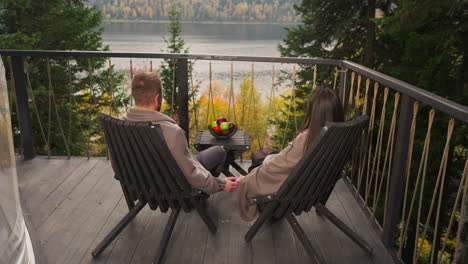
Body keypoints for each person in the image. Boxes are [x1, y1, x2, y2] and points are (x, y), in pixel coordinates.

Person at [236, 85, 345, 221]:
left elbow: (271, 168)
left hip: (292, 190)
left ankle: (268, 208)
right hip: (309, 181)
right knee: (264, 152)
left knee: (257, 158)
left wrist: (246, 180)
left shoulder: (308, 138)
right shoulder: (338, 136)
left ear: (314, 112)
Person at [121, 72, 238, 194]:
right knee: (219, 151)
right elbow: (191, 174)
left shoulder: (120, 124)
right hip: (172, 187)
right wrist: (221, 184)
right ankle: (201, 194)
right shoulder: (171, 132)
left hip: (141, 185)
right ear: (157, 98)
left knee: (209, 154)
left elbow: (118, 166)